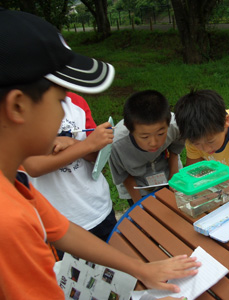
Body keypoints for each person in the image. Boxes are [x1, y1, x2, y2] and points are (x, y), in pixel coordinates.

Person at [0, 9, 199, 299]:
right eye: (59, 101)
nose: (63, 114)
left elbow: (62, 229)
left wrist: (140, 269)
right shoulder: (9, 224)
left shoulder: (15, 184)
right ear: (18, 106)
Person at [23, 91, 117, 253]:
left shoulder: (76, 102)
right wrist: (85, 145)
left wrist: (72, 143)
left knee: (114, 272)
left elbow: (96, 154)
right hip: (58, 223)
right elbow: (34, 166)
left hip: (98, 210)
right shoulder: (22, 107)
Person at [109, 90, 184, 206]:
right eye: (144, 137)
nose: (154, 143)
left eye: (160, 134)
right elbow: (124, 176)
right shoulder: (117, 145)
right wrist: (138, 204)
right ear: (129, 128)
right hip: (137, 186)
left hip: (167, 172)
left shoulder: (175, 126)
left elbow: (175, 149)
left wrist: (173, 179)